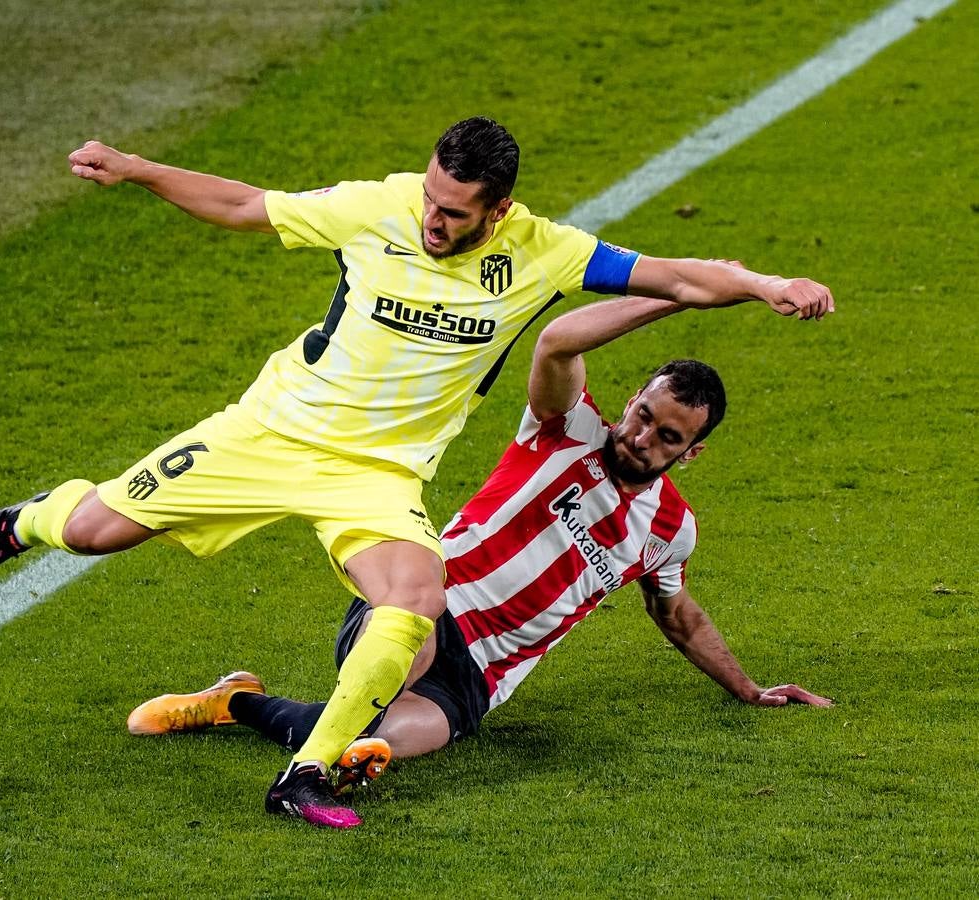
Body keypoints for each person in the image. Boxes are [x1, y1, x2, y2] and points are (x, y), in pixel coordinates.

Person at [0, 117, 834, 829]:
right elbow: (243, 206)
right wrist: (140, 168)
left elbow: (676, 277)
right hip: (270, 430)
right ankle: (26, 517)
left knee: (410, 598)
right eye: (431, 196)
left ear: (499, 211)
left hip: (374, 475)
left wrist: (761, 282)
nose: (430, 219)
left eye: (453, 212)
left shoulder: (542, 253)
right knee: (89, 534)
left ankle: (302, 775)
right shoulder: (378, 206)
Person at [127, 291, 833, 801]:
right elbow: (558, 340)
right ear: (630, 403)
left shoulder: (668, 530)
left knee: (376, 738)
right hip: (422, 607)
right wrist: (676, 297)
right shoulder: (564, 431)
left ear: (692, 453)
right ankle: (307, 741)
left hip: (484, 678)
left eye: (667, 437)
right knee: (395, 671)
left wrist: (747, 689)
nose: (643, 438)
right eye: (643, 416)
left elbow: (678, 617)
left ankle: (233, 704)